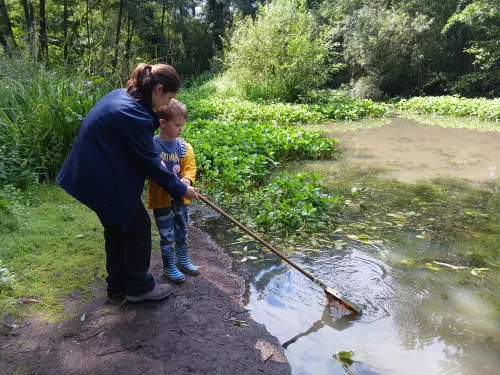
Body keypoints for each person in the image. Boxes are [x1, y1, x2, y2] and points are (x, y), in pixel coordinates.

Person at [56, 63, 199, 303]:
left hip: (92, 173)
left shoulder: (121, 96)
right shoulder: (134, 115)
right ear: (158, 88)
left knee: (117, 228)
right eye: (168, 98)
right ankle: (138, 287)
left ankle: (117, 288)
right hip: (100, 178)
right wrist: (182, 189)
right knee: (138, 228)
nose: (165, 105)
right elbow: (152, 163)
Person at [148, 99, 198, 283]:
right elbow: (152, 172)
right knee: (167, 235)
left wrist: (187, 179)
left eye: (182, 125)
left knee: (182, 230)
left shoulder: (184, 147)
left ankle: (183, 259)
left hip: (181, 199)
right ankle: (169, 266)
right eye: (177, 125)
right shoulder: (151, 147)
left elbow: (190, 166)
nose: (180, 129)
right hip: (162, 201)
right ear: (162, 123)